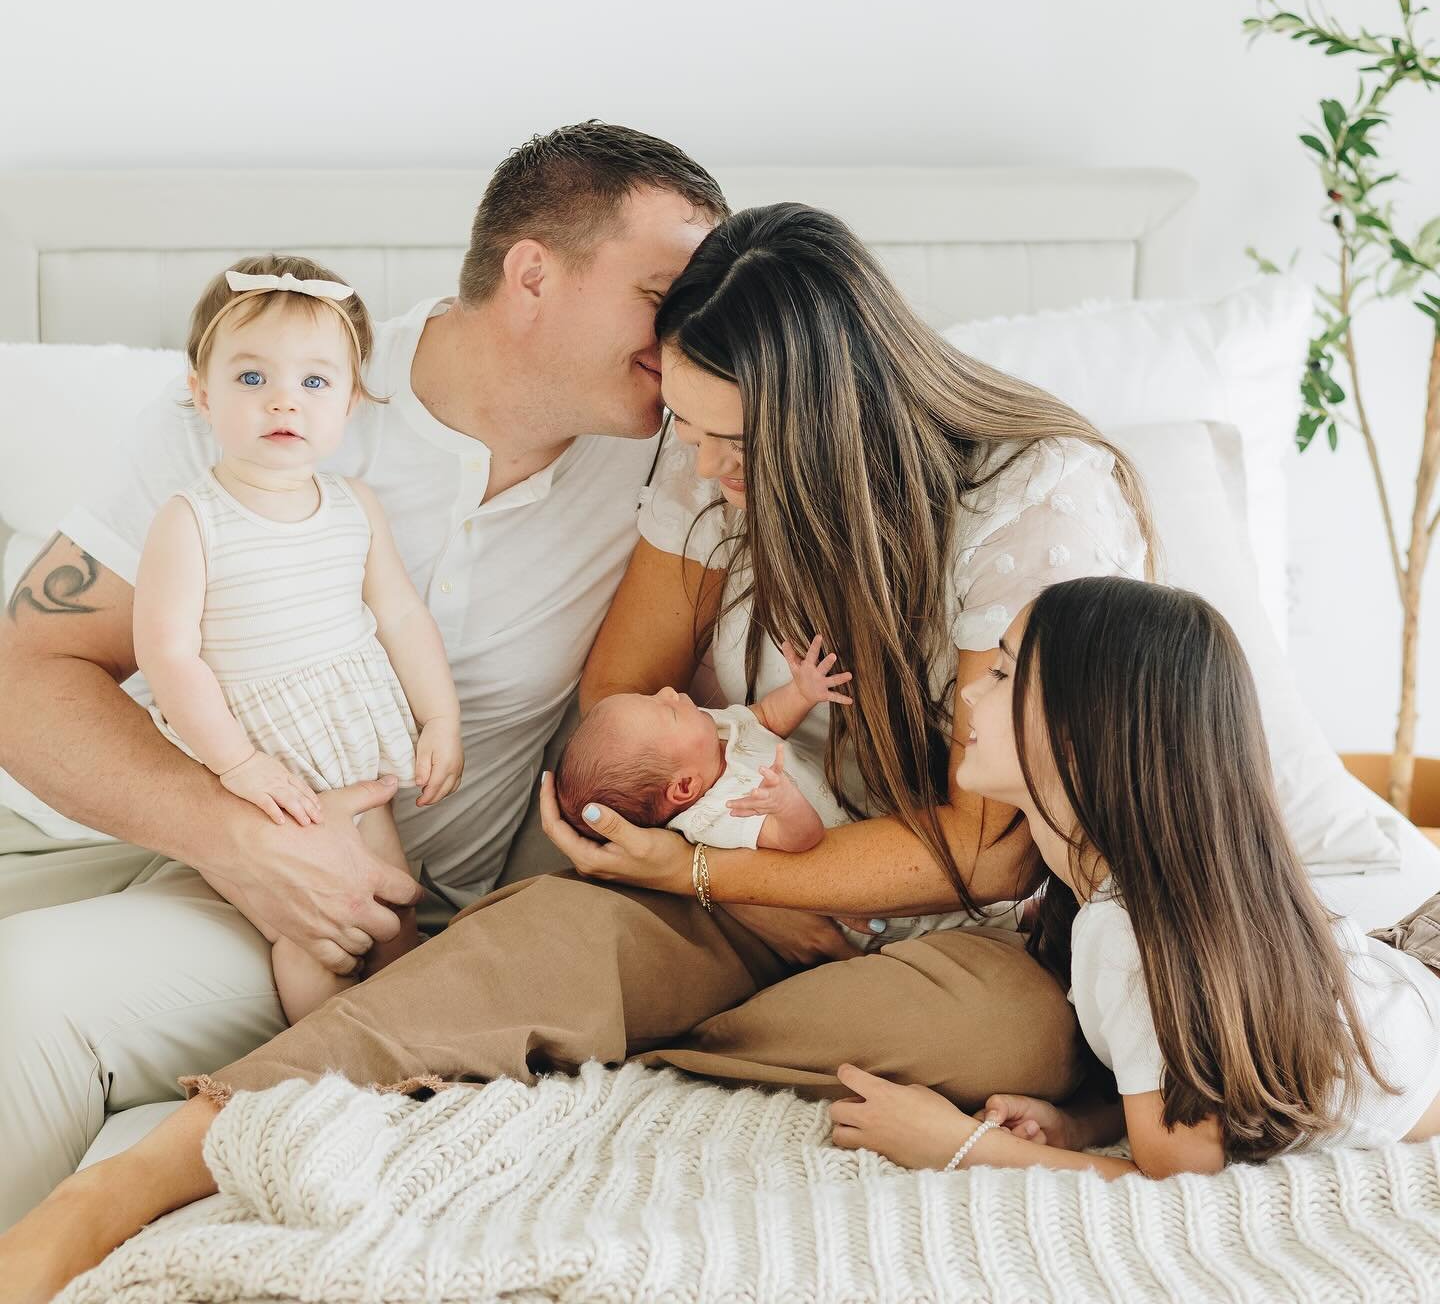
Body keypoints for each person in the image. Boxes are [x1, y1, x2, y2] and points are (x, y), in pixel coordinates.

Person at [0, 202, 1161, 1299]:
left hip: (930, 920)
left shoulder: (1037, 498)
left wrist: (729, 876)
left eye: (729, 440)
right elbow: (620, 691)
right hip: (709, 886)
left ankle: (582, 1043)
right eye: (690, 431)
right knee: (536, 942)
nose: (703, 466)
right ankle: (136, 1180)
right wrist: (713, 876)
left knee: (1006, 1033)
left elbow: (992, 846)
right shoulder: (701, 463)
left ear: (830, 419)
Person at [0, 122, 728, 1224]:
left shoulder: (689, 453)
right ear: (533, 272)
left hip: (413, 914)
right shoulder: (283, 396)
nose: (690, 333)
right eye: (663, 292)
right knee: (27, 987)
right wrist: (235, 840)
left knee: (35, 993)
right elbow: (26, 668)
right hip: (178, 847)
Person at [829, 578, 1440, 1180]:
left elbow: (1180, 1176)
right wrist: (1084, 1126)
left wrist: (956, 1144)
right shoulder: (1117, 903)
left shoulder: (1130, 934)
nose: (968, 697)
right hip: (1405, 970)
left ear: (1080, 732)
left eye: (1002, 674)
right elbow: (1193, 1082)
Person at [135, 257, 464, 1021]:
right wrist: (241, 764)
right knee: (314, 933)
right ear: (201, 392)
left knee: (393, 902)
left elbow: (402, 614)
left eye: (315, 382)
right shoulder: (193, 518)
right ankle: (322, 1063)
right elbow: (168, 654)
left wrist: (441, 717)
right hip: (257, 760)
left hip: (348, 740)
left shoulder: (353, 505)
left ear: (350, 401)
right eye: (251, 378)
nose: (284, 399)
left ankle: (407, 1051)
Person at [553, 633, 855, 852]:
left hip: (858, 831)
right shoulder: (716, 815)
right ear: (685, 786)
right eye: (669, 711)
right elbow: (802, 840)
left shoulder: (715, 730)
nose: (669, 691)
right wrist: (784, 805)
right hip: (843, 898)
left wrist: (802, 692)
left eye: (652, 696)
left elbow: (766, 717)